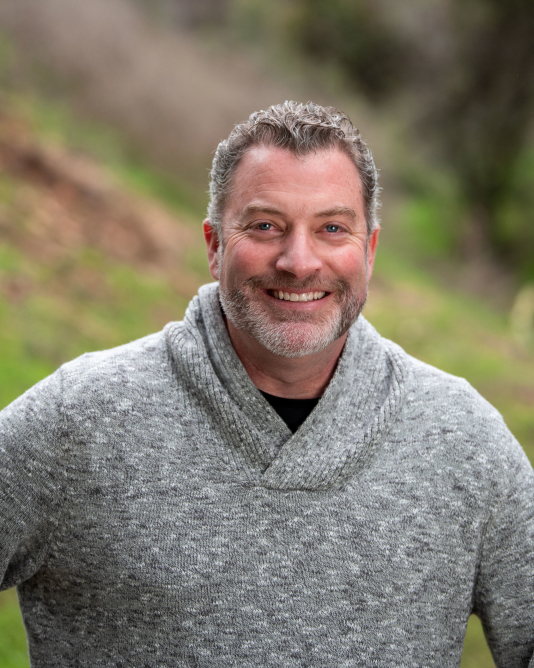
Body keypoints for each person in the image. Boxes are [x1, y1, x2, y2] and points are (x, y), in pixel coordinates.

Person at [1, 101, 533, 668]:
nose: (299, 261)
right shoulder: (80, 418)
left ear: (370, 251)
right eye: (265, 226)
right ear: (214, 245)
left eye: (332, 228)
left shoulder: (464, 440)